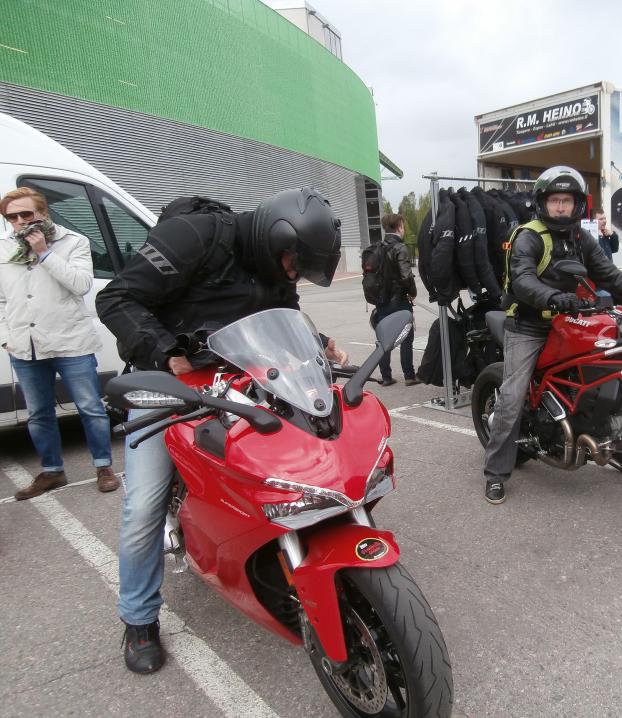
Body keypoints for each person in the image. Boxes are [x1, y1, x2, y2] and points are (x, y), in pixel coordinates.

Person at [95, 186, 348, 675]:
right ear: (277, 240)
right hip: (168, 377)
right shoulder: (195, 235)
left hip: (239, 375)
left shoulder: (277, 265)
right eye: (293, 265)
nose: (292, 274)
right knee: (144, 504)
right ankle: (139, 617)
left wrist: (318, 342)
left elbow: (282, 316)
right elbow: (117, 298)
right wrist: (165, 350)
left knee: (298, 461)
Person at [483, 166, 622, 504]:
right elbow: (522, 279)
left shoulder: (581, 237)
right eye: (555, 200)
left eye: (567, 200)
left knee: (614, 372)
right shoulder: (529, 236)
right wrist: (553, 297)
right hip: (530, 324)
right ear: (543, 203)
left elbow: (609, 275)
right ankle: (495, 471)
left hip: (572, 319)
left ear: (577, 204)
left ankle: (612, 443)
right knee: (512, 396)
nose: (561, 207)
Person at [0, 187, 118, 499]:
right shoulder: (4, 248)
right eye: (12, 217)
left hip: (71, 342)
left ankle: (103, 466)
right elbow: (1, 299)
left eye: (26, 214)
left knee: (91, 408)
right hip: (25, 345)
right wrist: (6, 337)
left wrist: (44, 253)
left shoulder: (73, 242)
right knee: (39, 413)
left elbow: (81, 285)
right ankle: (52, 471)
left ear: (43, 213)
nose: (20, 221)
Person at [375, 213, 420, 387]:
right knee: (406, 337)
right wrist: (412, 292)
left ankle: (386, 376)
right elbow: (406, 275)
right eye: (403, 225)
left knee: (383, 338)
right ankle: (409, 375)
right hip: (399, 300)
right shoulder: (400, 248)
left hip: (381, 301)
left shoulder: (377, 248)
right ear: (399, 227)